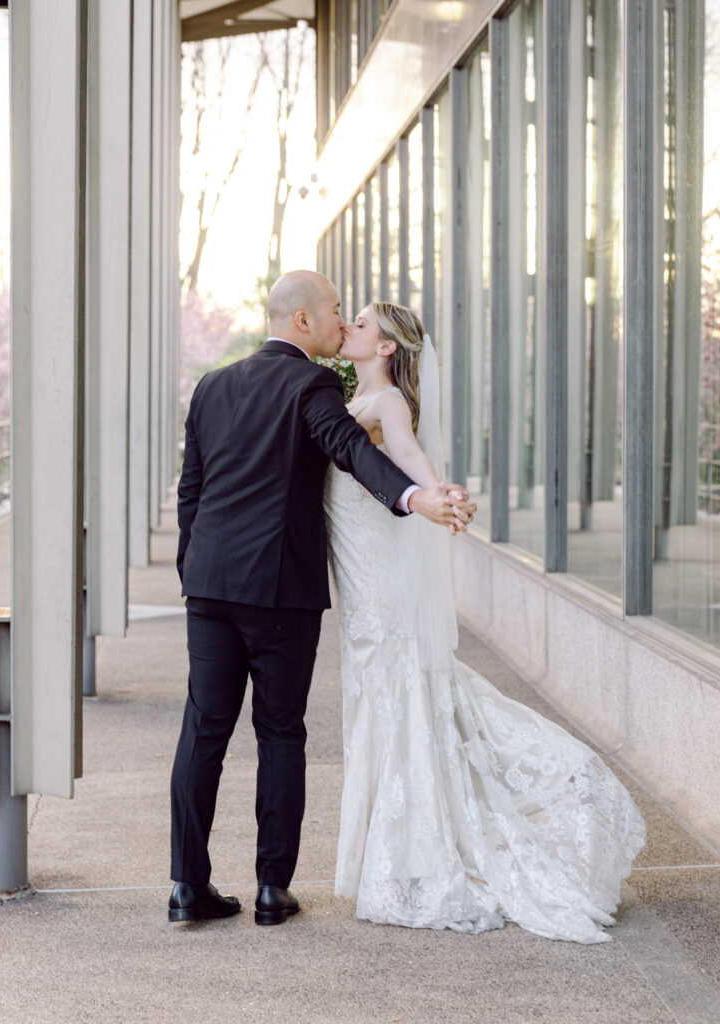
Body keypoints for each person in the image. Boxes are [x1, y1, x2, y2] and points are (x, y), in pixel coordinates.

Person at [325, 301, 646, 942]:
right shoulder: (347, 400)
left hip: (379, 580)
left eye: (362, 323)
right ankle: (404, 848)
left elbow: (410, 454)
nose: (351, 327)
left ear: (387, 348)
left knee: (396, 686)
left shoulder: (384, 404)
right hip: (361, 566)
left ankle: (416, 858)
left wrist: (438, 494)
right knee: (385, 688)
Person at [169, 271, 475, 926]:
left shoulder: (213, 386)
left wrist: (191, 571)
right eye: (336, 310)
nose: (342, 321)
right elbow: (345, 448)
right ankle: (272, 891)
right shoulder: (312, 383)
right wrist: (414, 498)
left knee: (203, 731)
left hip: (208, 585)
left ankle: (186, 888)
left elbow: (190, 491)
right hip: (279, 588)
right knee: (279, 732)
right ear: (303, 322)